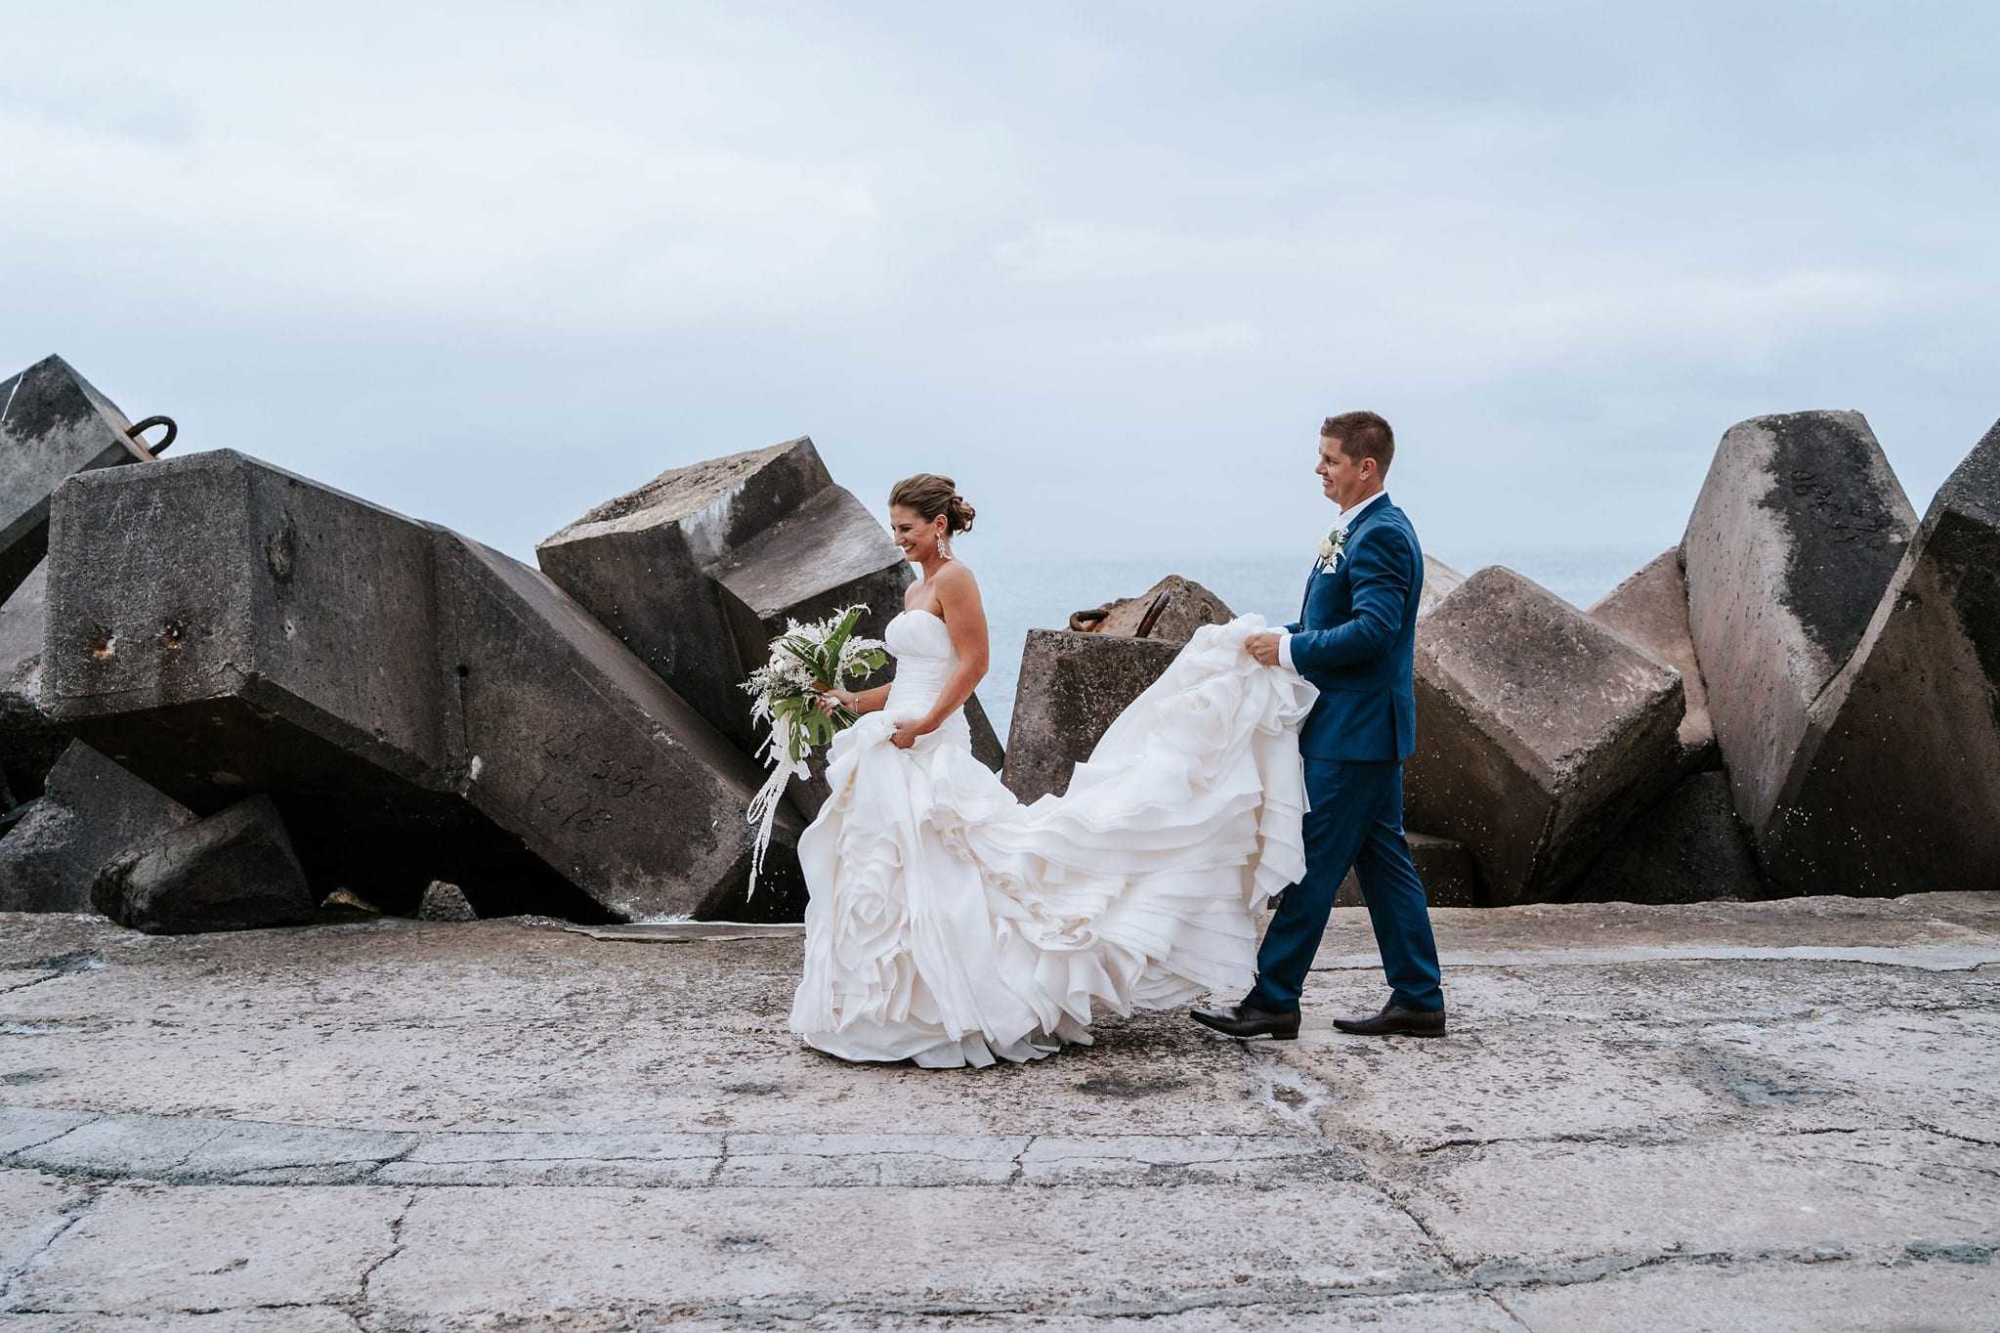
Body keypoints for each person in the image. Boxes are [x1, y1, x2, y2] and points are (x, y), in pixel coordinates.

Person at [787, 472, 1314, 1067]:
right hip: (896, 735)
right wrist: (850, 701)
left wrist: (930, 723)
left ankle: (971, 1001)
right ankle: (896, 1005)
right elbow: (912, 674)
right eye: (893, 529)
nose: (898, 539)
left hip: (929, 741)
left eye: (906, 528)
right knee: (890, 869)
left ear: (938, 525)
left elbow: (975, 662)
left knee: (955, 865)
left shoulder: (957, 579)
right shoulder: (917, 589)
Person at [1194, 411, 1447, 1041]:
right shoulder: (1360, 529)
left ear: (1366, 467)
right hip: (1363, 729)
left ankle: (1274, 998)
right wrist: (1287, 634)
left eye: (1330, 459)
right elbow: (1339, 618)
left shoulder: (1382, 534)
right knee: (1386, 864)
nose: (1319, 469)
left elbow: (1375, 632)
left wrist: (1288, 653)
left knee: (1309, 862)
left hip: (1356, 732)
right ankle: (1418, 997)